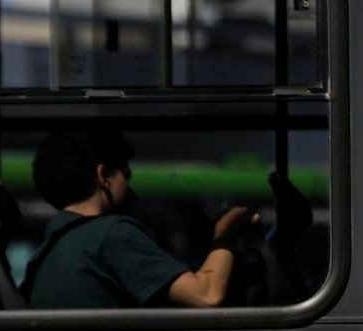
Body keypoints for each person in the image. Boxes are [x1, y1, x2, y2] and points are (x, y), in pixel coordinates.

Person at [23, 127, 276, 309]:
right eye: (126, 174)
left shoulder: (48, 248)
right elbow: (207, 295)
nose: (132, 192)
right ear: (104, 175)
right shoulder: (111, 234)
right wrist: (226, 232)